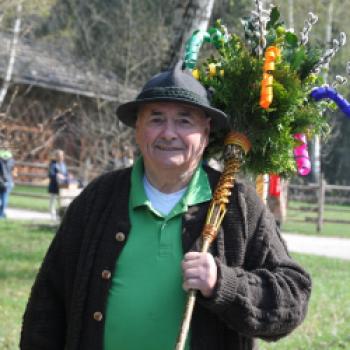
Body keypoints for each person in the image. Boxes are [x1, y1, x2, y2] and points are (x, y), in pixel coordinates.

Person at [21, 63, 312, 350]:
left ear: (206, 132)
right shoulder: (98, 199)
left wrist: (223, 284)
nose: (169, 133)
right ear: (138, 127)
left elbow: (292, 296)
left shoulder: (238, 205)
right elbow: (47, 306)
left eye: (185, 121)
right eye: (156, 119)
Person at [48, 149, 69, 221]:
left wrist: (67, 177)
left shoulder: (64, 165)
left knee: (62, 202)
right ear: (56, 156)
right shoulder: (53, 165)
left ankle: (60, 216)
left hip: (62, 187)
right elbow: (51, 175)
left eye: (62, 155)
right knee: (52, 202)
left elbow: (66, 175)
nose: (61, 157)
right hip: (54, 187)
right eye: (59, 156)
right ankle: (53, 217)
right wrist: (57, 175)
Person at [0, 142, 15, 218]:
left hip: (0, 180)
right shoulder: (11, 158)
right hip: (8, 180)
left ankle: (1, 213)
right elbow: (12, 169)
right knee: (5, 197)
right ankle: (2, 213)